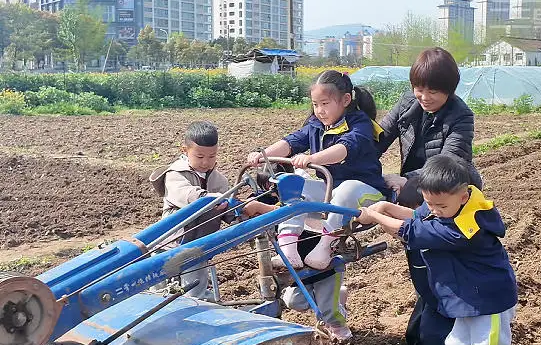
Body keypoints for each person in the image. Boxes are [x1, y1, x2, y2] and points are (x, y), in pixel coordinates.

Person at [358, 156, 523, 345]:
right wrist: (385, 207)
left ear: (463, 196)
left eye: (440, 206)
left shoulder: (466, 227)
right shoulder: (449, 205)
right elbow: (420, 217)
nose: (434, 210)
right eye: (428, 203)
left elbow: (412, 231)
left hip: (489, 301)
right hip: (468, 299)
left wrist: (375, 216)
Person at [376, 47, 482, 345]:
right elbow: (377, 138)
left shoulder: (460, 116)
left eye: (433, 90)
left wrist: (405, 179)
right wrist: (351, 155)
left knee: (437, 275)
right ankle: (426, 343)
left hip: (448, 203)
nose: (424, 96)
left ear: (450, 89)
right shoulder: (408, 104)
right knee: (423, 273)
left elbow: (449, 163)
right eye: (418, 88)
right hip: (416, 199)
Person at [247, 70, 389, 272]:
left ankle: (325, 246)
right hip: (331, 188)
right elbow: (291, 142)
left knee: (347, 189)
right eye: (315, 104)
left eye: (325, 104)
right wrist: (263, 155)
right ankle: (288, 248)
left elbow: (344, 149)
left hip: (367, 192)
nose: (319, 110)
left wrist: (312, 159)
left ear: (345, 100)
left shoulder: (360, 124)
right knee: (297, 187)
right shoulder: (316, 125)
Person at [150, 120, 230, 299]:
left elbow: (228, 208)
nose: (206, 162)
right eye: (200, 157)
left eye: (212, 156)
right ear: (185, 150)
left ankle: (198, 306)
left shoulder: (219, 181)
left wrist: (242, 210)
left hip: (197, 247)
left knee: (194, 294)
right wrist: (212, 199)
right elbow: (188, 196)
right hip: (168, 244)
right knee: (157, 294)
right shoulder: (175, 175)